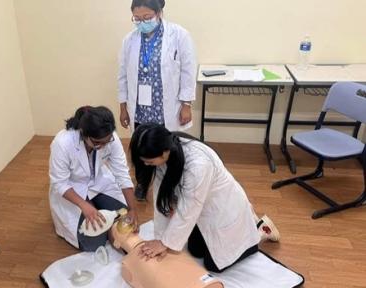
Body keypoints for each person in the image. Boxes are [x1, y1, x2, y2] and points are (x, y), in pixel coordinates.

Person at [129, 124, 279, 273]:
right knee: (194, 250)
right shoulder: (164, 151)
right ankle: (248, 229)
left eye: (149, 161)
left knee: (214, 265)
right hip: (202, 208)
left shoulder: (198, 165)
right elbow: (161, 200)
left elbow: (188, 209)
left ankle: (259, 229)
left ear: (164, 152)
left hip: (225, 209)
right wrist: (161, 239)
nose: (145, 164)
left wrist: (164, 243)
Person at [117, 0, 197, 200]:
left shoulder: (179, 35)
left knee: (169, 148)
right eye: (137, 19)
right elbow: (122, 75)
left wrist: (186, 104)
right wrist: (123, 107)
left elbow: (188, 71)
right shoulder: (129, 40)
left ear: (159, 12)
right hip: (141, 109)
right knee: (142, 147)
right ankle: (143, 184)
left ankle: (172, 186)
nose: (142, 22)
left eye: (147, 18)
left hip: (166, 108)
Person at [49, 106, 139, 252]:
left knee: (125, 220)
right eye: (97, 143)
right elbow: (60, 183)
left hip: (99, 182)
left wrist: (133, 209)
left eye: (106, 142)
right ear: (83, 133)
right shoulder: (63, 143)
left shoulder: (111, 138)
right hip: (73, 189)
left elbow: (122, 173)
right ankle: (95, 213)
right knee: (94, 243)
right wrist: (84, 205)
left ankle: (103, 216)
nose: (103, 145)